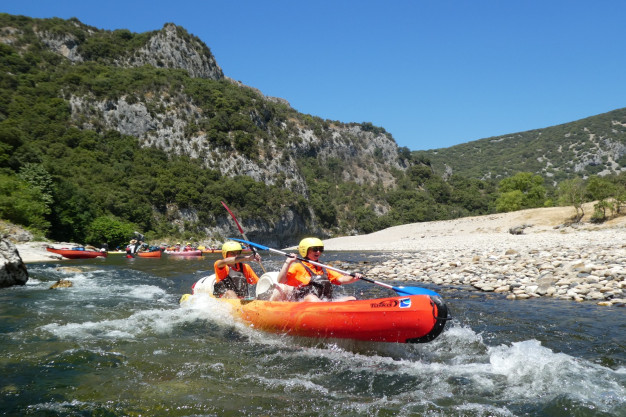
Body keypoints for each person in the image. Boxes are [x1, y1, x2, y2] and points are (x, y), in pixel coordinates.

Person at [276, 237, 361, 302]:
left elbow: (342, 279)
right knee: (311, 298)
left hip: (325, 302)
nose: (318, 252)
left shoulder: (324, 267)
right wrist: (288, 262)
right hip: (304, 303)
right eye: (315, 249)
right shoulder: (298, 267)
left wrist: (354, 278)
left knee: (352, 298)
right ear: (305, 250)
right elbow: (281, 280)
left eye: (320, 249)